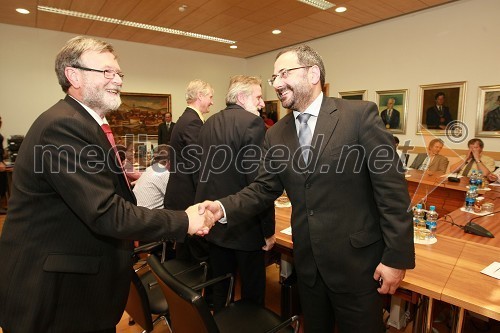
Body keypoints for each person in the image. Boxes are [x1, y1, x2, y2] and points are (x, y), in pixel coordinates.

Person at [0, 36, 213, 333]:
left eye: (119, 73)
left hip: (79, 290)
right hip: (56, 297)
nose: (117, 80)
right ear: (73, 75)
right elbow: (106, 212)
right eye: (107, 72)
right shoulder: (64, 126)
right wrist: (185, 219)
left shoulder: (82, 122)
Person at [199, 44, 415, 333]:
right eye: (273, 78)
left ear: (313, 74)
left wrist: (395, 259)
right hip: (309, 268)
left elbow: (392, 193)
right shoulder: (276, 133)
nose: (276, 83)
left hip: (357, 266)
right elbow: (263, 188)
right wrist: (223, 207)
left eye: (284, 73)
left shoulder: (359, 116)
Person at [195, 75, 276, 312]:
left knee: (222, 285)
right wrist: (268, 231)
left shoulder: (209, 122)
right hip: (245, 225)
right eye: (259, 97)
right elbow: (259, 183)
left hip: (215, 223)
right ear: (242, 97)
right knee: (252, 292)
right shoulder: (252, 123)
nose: (262, 103)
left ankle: (219, 323)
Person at [164, 79, 214, 262]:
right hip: (187, 197)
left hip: (179, 195)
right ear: (199, 96)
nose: (212, 102)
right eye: (210, 97)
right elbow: (200, 164)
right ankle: (191, 289)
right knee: (193, 256)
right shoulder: (192, 122)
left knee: (186, 253)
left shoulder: (186, 119)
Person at [133, 144, 170, 209]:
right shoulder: (164, 173)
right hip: (146, 216)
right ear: (168, 162)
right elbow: (175, 199)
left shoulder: (150, 168)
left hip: (135, 212)